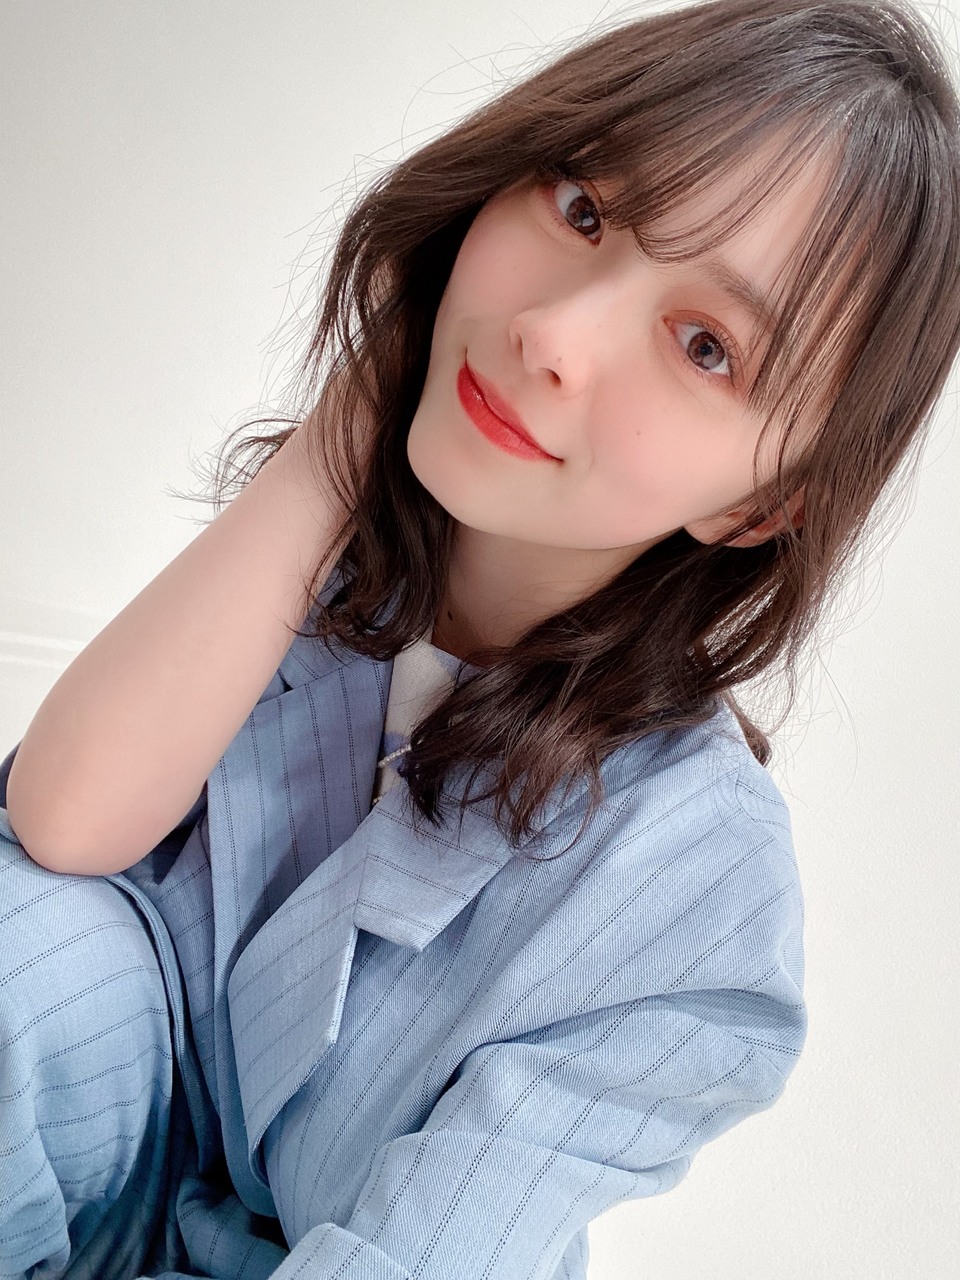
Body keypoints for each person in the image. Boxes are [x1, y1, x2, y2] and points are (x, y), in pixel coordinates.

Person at [2, 0, 959, 1276]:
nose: (551, 336)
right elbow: (64, 825)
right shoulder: (323, 560)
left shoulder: (698, 891)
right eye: (583, 209)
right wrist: (344, 430)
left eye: (705, 347)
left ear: (762, 505)